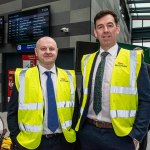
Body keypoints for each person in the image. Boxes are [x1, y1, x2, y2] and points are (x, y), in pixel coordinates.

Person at [75, 10, 150, 150]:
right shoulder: (86, 60)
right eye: (100, 27)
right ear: (95, 32)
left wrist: (137, 135)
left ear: (117, 29)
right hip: (88, 133)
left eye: (110, 25)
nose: (105, 30)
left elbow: (146, 101)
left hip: (120, 137)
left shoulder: (135, 59)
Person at [7, 36, 77, 150]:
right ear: (36, 52)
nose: (48, 52)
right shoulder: (23, 77)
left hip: (63, 142)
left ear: (57, 51)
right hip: (31, 144)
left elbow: (76, 110)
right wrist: (16, 139)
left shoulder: (69, 77)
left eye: (51, 48)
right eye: (43, 49)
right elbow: (12, 112)